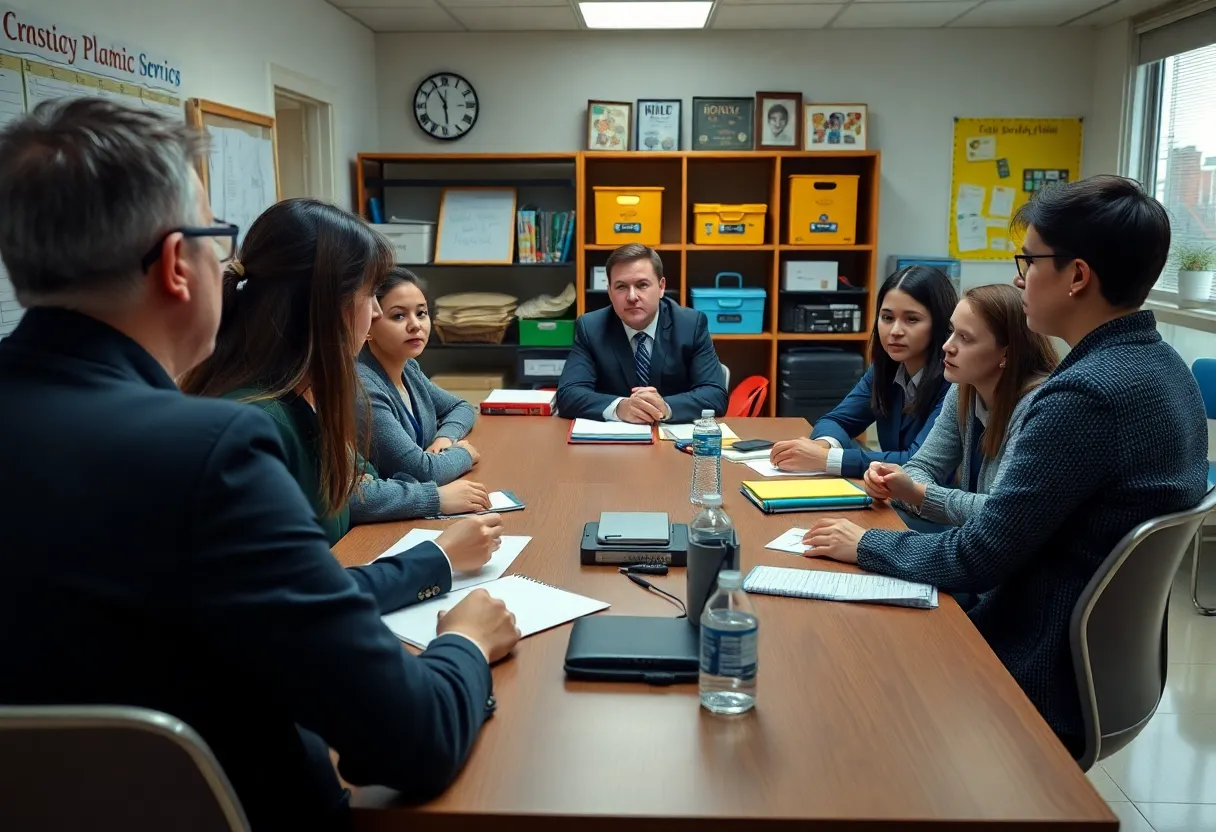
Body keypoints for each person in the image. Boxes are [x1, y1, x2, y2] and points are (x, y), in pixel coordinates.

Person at [0, 98, 522, 830]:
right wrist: (463, 642)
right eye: (217, 241)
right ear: (178, 266)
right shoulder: (211, 450)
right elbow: (414, 741)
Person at [804, 175, 1210, 756]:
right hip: (1108, 673)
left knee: (833, 669)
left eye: (1030, 261)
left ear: (1076, 276)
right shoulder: (1167, 369)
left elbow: (978, 555)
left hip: (1036, 668)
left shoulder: (1081, 397)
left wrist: (865, 545)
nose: (1020, 279)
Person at [181, 199, 493, 544]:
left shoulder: (305, 396)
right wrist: (440, 557)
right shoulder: (257, 424)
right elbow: (295, 572)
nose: (376, 312)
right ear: (326, 306)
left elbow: (358, 484)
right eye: (370, 294)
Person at [862, 283, 1058, 526]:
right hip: (974, 538)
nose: (947, 346)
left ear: (1006, 354)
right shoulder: (963, 389)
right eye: (952, 331)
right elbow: (921, 466)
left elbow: (1002, 513)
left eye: (965, 338)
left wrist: (915, 493)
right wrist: (897, 485)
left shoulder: (1038, 407)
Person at [770, 265, 957, 478]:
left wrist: (826, 459)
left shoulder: (953, 382)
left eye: (912, 319)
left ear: (939, 323)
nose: (895, 331)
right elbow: (836, 420)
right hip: (890, 491)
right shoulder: (885, 370)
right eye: (887, 318)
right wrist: (822, 446)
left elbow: (918, 463)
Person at [556, 242, 727, 423]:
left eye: (642, 285)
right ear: (610, 292)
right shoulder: (591, 328)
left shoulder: (690, 325)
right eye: (621, 287)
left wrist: (665, 407)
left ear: (661, 287)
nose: (632, 297)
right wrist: (619, 407)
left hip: (672, 435)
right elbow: (568, 395)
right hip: (614, 437)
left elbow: (715, 395)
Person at [359, 267, 480, 488]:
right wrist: (463, 454)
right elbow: (421, 472)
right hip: (396, 507)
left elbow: (461, 407)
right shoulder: (363, 387)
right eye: (398, 316)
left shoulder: (408, 368)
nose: (415, 325)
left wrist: (444, 439)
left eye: (421, 313)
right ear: (368, 324)